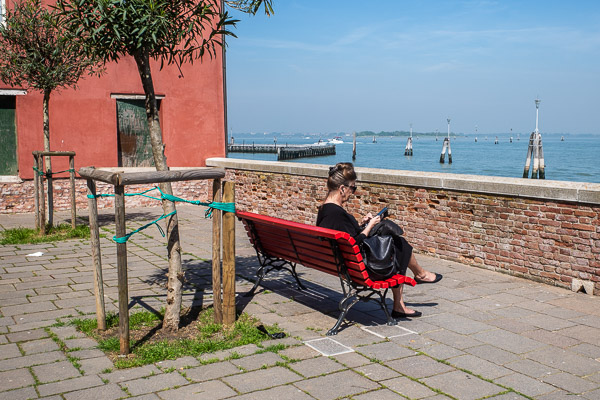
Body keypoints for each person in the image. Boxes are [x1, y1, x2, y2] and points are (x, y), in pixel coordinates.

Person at [316, 162, 442, 318]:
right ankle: (415, 282)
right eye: (353, 188)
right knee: (397, 245)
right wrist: (370, 227)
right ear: (342, 188)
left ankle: (417, 280)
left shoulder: (325, 210)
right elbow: (354, 242)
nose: (353, 192)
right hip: (359, 268)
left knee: (391, 238)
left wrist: (362, 224)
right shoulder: (337, 213)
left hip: (342, 263)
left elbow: (347, 236)